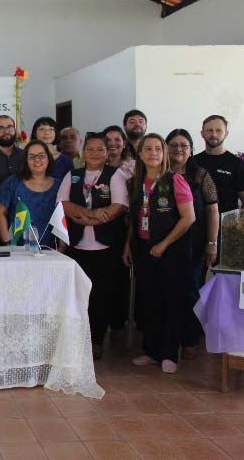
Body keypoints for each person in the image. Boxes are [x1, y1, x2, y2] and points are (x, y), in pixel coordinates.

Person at [123, 134, 195, 374]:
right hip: (144, 250)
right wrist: (128, 245)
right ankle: (151, 352)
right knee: (149, 302)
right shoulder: (135, 182)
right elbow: (134, 218)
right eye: (148, 149)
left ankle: (168, 354)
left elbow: (189, 218)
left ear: (164, 154)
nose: (153, 153)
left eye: (158, 149)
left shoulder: (174, 180)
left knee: (171, 302)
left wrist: (164, 244)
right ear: (140, 154)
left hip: (171, 251)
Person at [57, 133, 128, 359]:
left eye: (100, 149)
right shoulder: (73, 175)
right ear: (83, 151)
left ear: (107, 153)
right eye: (90, 149)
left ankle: (97, 340)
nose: (95, 153)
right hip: (77, 246)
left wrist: (92, 220)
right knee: (79, 295)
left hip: (107, 246)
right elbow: (63, 203)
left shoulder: (115, 175)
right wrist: (90, 214)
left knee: (102, 295)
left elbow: (119, 206)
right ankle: (79, 339)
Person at [167, 128, 219, 360]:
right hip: (163, 242)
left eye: (184, 145)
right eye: (174, 145)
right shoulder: (160, 172)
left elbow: (212, 209)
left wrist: (211, 242)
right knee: (166, 292)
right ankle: (165, 341)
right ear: (167, 147)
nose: (179, 149)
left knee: (191, 291)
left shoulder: (201, 174)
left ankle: (189, 340)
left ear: (190, 150)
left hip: (193, 243)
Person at [0, 140, 59, 249]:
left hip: (52, 249)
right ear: (25, 160)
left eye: (41, 155)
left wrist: (62, 246)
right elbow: (0, 212)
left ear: (48, 158)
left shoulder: (59, 185)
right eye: (32, 156)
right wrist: (7, 243)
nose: (37, 159)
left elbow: (63, 218)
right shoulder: (12, 183)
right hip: (19, 248)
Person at [102, 124, 135, 333]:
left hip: (123, 227)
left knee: (120, 278)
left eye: (117, 140)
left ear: (124, 144)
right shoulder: (94, 164)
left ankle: (118, 324)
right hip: (96, 226)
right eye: (108, 140)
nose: (113, 144)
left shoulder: (132, 167)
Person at [194, 115, 244, 218]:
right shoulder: (193, 162)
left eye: (218, 131)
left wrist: (242, 230)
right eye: (209, 130)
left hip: (226, 227)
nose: (213, 134)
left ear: (226, 134)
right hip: (196, 226)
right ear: (202, 133)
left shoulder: (239, 165)